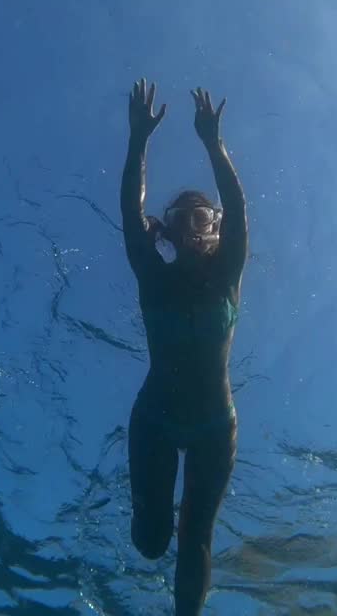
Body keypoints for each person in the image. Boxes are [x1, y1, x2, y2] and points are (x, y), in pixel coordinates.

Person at [120, 79, 248, 615]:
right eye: (183, 218)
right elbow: (131, 210)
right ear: (170, 232)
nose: (195, 224)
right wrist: (137, 139)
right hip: (154, 419)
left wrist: (213, 144)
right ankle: (152, 518)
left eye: (203, 216)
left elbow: (238, 208)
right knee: (150, 542)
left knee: (195, 538)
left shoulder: (227, 274)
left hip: (214, 428)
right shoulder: (154, 276)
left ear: (214, 229)